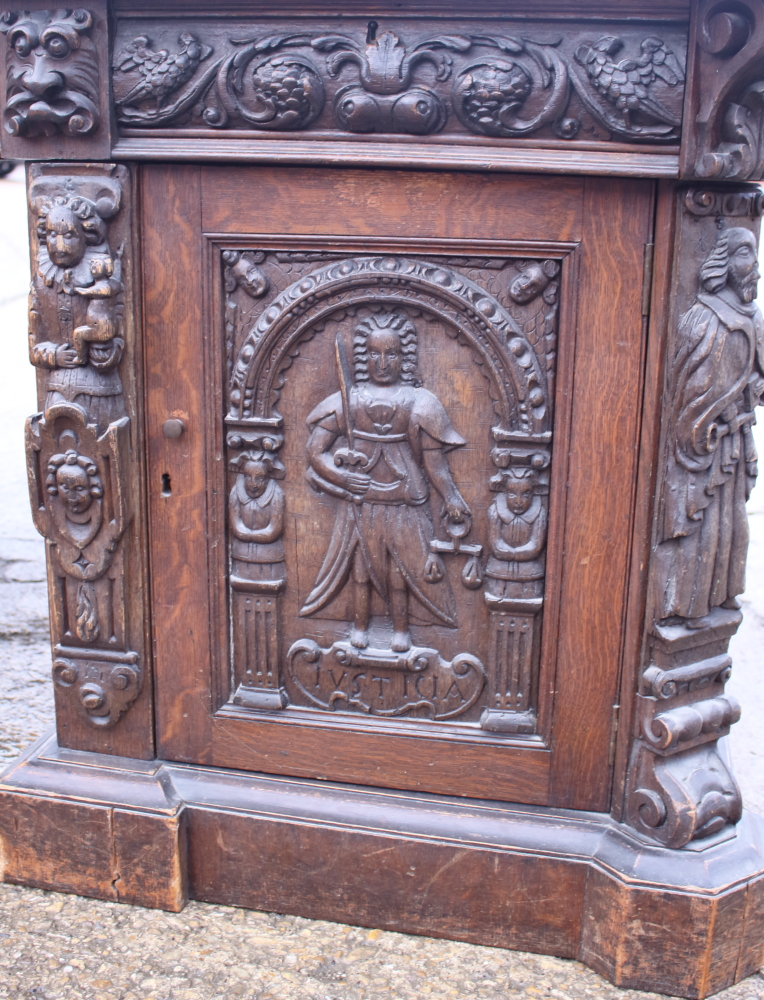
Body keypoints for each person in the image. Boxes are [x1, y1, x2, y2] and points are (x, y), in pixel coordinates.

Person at [300, 311, 470, 653]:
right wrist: (340, 476)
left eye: (391, 354)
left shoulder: (420, 402)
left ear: (403, 357)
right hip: (361, 499)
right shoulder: (350, 400)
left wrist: (452, 498)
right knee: (359, 567)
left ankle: (401, 631)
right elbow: (314, 451)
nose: (382, 362)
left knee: (401, 570)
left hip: (405, 500)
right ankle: (359, 627)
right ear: (364, 358)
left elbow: (434, 464)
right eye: (374, 354)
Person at [658, 226, 764, 628]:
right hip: (705, 448)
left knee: (732, 524)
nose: (752, 266)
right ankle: (689, 607)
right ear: (724, 262)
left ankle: (721, 596)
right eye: (743, 255)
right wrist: (707, 424)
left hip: (733, 445)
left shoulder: (752, 318)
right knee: (699, 530)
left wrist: (752, 391)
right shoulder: (704, 319)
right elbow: (688, 392)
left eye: (753, 256)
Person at [485, 468, 547, 601]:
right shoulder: (495, 512)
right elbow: (495, 544)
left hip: (530, 573)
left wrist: (514, 554)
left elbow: (535, 546)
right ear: (504, 492)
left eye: (525, 494)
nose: (519, 501)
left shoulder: (539, 513)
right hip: (498, 571)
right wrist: (514, 553)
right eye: (512, 494)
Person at [229, 451, 286, 583]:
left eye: (260, 478)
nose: (253, 484)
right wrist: (249, 534)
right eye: (248, 477)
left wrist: (249, 535)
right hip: (241, 555)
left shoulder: (276, 494)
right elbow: (236, 526)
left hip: (270, 556)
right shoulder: (236, 492)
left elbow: (274, 529)